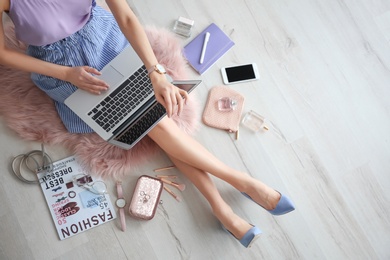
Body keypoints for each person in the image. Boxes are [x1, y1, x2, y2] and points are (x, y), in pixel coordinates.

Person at [0, 0, 295, 248]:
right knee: (155, 123)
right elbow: (3, 53)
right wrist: (66, 75)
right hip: (61, 68)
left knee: (152, 121)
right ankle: (238, 186)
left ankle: (225, 205)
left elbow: (126, 16)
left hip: (104, 43)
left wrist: (155, 72)